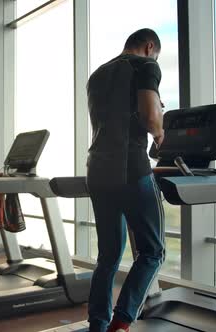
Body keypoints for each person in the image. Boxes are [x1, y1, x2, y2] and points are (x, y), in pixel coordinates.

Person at [86, 28, 166, 332]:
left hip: (97, 171)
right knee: (152, 251)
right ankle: (121, 322)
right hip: (131, 169)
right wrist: (159, 131)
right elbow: (149, 117)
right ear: (149, 47)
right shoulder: (146, 66)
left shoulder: (97, 75)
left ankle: (98, 324)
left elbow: (115, 116)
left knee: (107, 256)